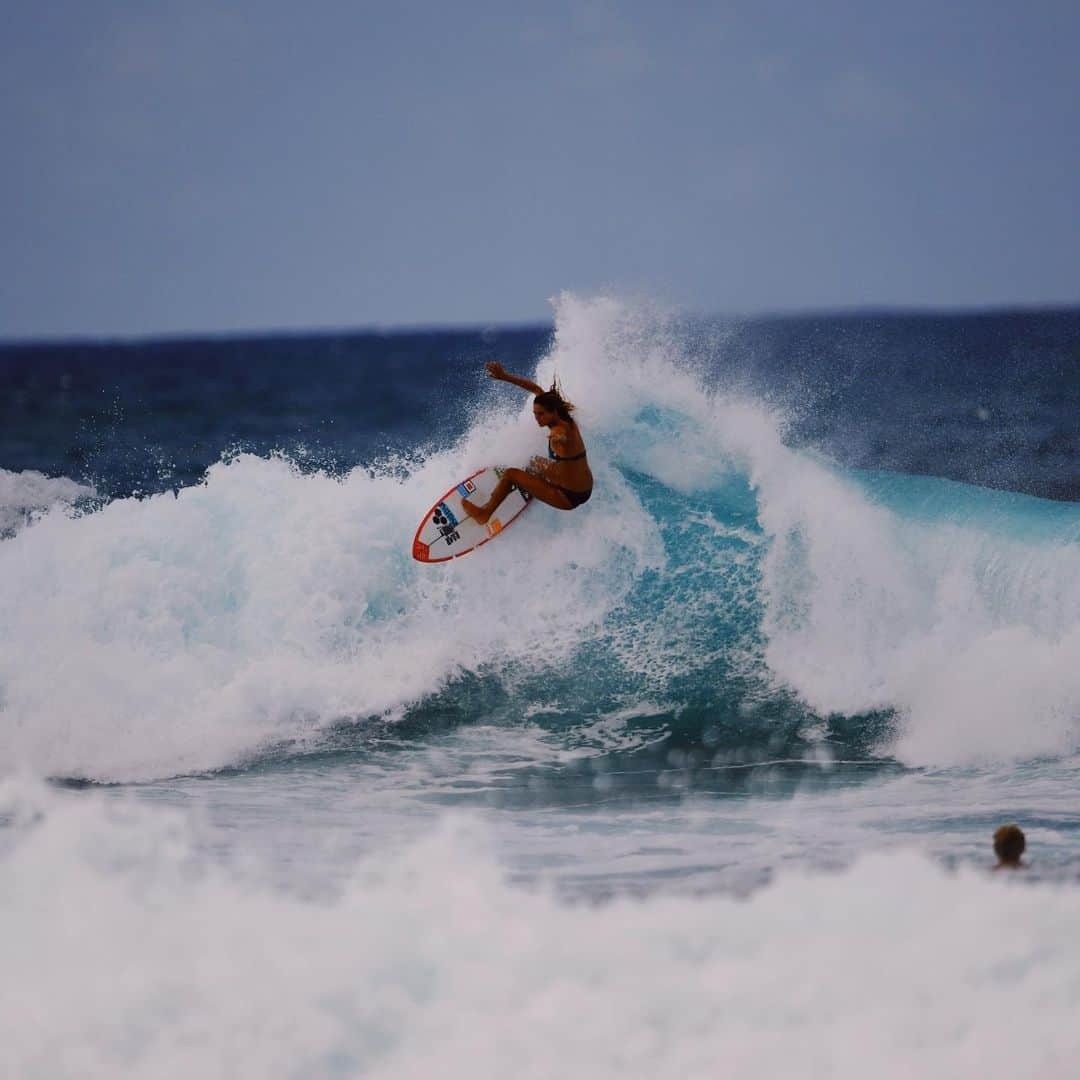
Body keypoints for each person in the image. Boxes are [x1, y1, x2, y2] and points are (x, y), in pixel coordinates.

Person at [460, 361, 593, 525]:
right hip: (584, 485)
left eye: (541, 414)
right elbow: (536, 389)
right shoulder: (565, 419)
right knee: (533, 463)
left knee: (511, 474)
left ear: (554, 412)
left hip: (568, 495)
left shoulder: (560, 431)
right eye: (535, 414)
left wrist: (558, 439)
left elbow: (563, 437)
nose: (537, 418)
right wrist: (505, 377)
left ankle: (484, 514)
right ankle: (530, 486)